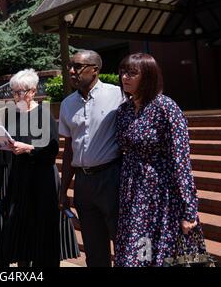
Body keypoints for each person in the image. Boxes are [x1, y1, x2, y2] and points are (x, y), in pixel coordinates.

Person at [114, 53, 205, 267]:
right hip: (133, 194)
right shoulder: (123, 111)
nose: (125, 77)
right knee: (139, 253)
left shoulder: (166, 108)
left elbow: (181, 161)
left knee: (164, 255)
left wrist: (189, 210)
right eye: (123, 72)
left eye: (132, 73)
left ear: (148, 77)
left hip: (162, 196)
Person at [0, 69, 79, 267]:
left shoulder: (44, 113)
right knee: (21, 235)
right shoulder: (11, 115)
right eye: (13, 92)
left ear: (33, 91)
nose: (16, 96)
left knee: (42, 235)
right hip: (19, 179)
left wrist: (29, 149)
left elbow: (52, 149)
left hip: (41, 181)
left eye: (21, 92)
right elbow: (10, 142)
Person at [58, 50, 124, 267]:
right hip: (84, 183)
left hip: (112, 179)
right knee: (94, 251)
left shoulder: (118, 95)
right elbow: (69, 149)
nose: (71, 71)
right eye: (70, 66)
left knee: (123, 243)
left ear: (94, 70)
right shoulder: (67, 103)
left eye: (77, 66)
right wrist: (63, 189)